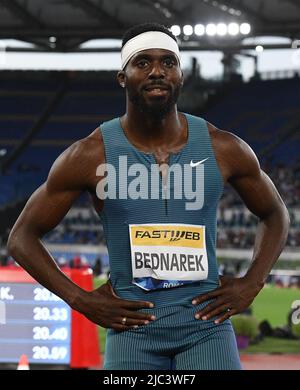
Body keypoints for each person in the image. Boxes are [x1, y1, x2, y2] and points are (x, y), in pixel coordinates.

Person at [8, 23, 290, 370]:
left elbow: (275, 212)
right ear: (122, 77)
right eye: (142, 62)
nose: (157, 71)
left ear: (180, 75)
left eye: (168, 62)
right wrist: (80, 300)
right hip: (133, 331)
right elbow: (21, 237)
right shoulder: (90, 155)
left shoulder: (224, 148)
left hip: (206, 326)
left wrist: (252, 282)